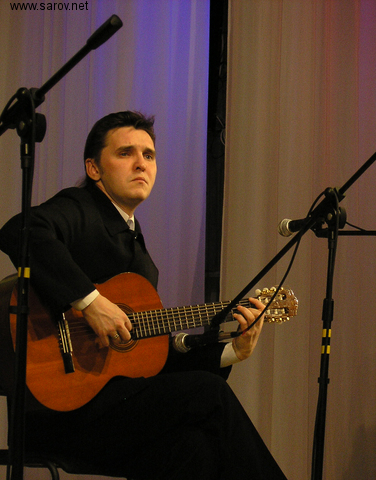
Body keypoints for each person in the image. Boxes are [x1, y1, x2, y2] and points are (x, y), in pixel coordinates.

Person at [0, 111, 287, 480]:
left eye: (149, 155)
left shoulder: (140, 258)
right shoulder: (81, 208)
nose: (141, 163)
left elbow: (152, 361)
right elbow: (20, 230)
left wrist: (233, 350)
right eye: (125, 153)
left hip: (107, 415)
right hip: (55, 414)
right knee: (210, 393)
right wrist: (90, 303)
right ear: (93, 169)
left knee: (194, 448)